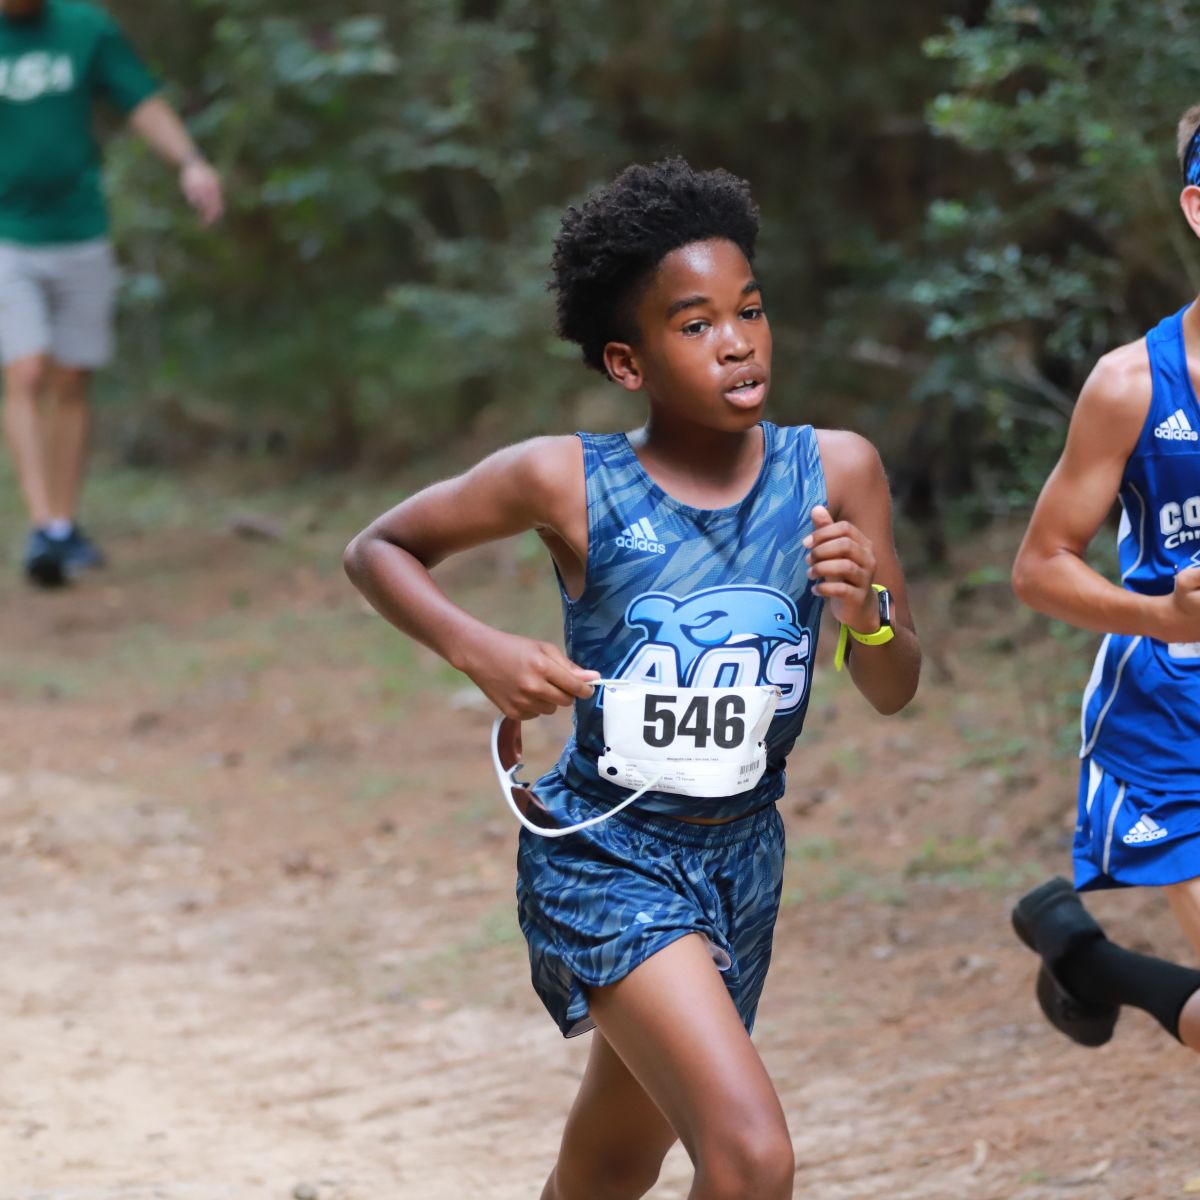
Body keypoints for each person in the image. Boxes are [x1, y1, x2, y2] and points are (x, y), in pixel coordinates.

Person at [344, 158, 921, 1200]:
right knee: (750, 1160)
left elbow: (893, 686)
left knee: (610, 1163)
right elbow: (379, 549)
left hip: (743, 860)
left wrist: (865, 614)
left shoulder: (837, 470)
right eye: (695, 324)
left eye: (749, 310)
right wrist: (484, 652)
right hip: (606, 854)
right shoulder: (567, 479)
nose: (737, 340)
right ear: (628, 361)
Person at [1008, 105, 1200, 1056]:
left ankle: (1091, 964)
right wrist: (1160, 612)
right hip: (1171, 711)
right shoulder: (1134, 385)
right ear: (1199, 208)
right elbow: (1040, 567)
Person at [0, 0, 223, 587]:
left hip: (80, 231)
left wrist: (190, 162)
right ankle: (42, 526)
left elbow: (140, 101)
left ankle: (61, 526)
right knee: (24, 371)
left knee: (71, 379)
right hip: (6, 235)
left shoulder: (84, 28)